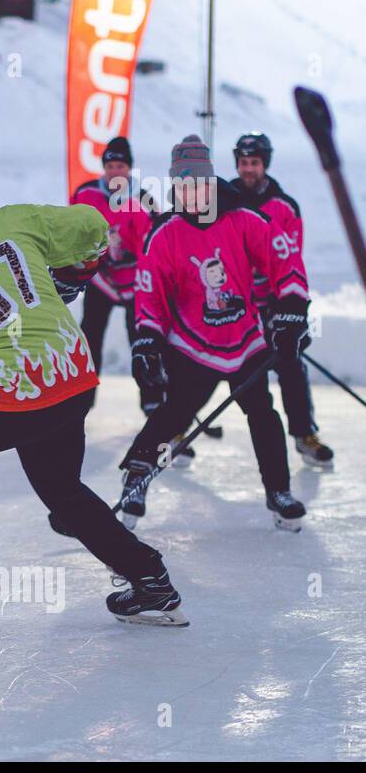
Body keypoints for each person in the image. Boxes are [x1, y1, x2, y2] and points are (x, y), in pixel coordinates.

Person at [0, 159, 187, 629]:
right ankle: (150, 581)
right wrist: (79, 268)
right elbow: (93, 224)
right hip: (73, 377)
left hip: (13, 399)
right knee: (62, 490)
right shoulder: (13, 220)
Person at [119, 136, 310, 531]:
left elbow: (284, 260)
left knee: (263, 413)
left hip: (245, 339)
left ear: (211, 183)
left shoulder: (244, 218)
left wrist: (292, 313)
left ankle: (279, 491)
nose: (193, 195)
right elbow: (149, 295)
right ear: (176, 188)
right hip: (192, 344)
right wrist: (147, 343)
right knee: (174, 412)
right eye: (184, 187)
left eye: (200, 185)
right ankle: (136, 477)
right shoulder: (166, 233)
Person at [231, 131, 334, 468]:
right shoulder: (225, 199)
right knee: (211, 364)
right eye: (244, 163)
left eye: (255, 163)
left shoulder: (284, 206)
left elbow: (289, 259)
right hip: (233, 301)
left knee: (290, 364)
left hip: (274, 302)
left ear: (265, 164)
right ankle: (177, 431)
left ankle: (304, 434)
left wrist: (285, 310)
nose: (248, 169)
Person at [71, 136, 159, 409]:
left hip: (135, 281)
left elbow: (154, 244)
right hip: (101, 278)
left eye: (120, 166)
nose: (115, 172)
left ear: (129, 169)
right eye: (110, 166)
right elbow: (72, 231)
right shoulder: (85, 194)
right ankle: (82, 400)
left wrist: (130, 249)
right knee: (90, 335)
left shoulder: (145, 200)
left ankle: (152, 399)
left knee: (141, 338)